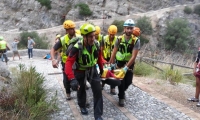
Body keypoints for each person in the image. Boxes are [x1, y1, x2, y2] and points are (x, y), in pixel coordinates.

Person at [65, 23, 104, 120]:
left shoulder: (96, 44)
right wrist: (72, 79)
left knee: (98, 90)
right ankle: (82, 106)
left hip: (92, 69)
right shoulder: (77, 48)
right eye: (90, 36)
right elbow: (68, 63)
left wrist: (101, 69)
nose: (93, 38)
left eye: (94, 36)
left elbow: (99, 57)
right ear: (84, 37)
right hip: (80, 70)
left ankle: (98, 115)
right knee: (81, 89)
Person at [109, 19, 140, 107]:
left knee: (129, 81)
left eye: (131, 28)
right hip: (119, 63)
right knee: (121, 81)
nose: (129, 30)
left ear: (133, 29)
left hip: (129, 64)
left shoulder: (136, 41)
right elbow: (114, 52)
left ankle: (122, 92)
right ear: (124, 29)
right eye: (127, 28)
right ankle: (121, 97)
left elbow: (134, 56)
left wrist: (126, 67)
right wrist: (111, 63)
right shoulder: (119, 39)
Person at [50, 20, 80, 100]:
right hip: (66, 63)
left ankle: (81, 95)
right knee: (66, 80)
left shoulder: (78, 37)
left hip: (77, 62)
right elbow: (53, 49)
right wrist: (53, 60)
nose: (73, 30)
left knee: (78, 79)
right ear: (66, 30)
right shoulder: (63, 40)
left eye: (73, 28)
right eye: (71, 29)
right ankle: (68, 93)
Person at [101, 25, 118, 95]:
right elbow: (101, 49)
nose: (111, 36)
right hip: (105, 58)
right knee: (104, 72)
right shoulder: (104, 38)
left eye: (113, 35)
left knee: (113, 73)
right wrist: (102, 59)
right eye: (110, 34)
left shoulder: (117, 39)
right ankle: (102, 84)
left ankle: (112, 88)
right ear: (108, 32)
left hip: (113, 59)